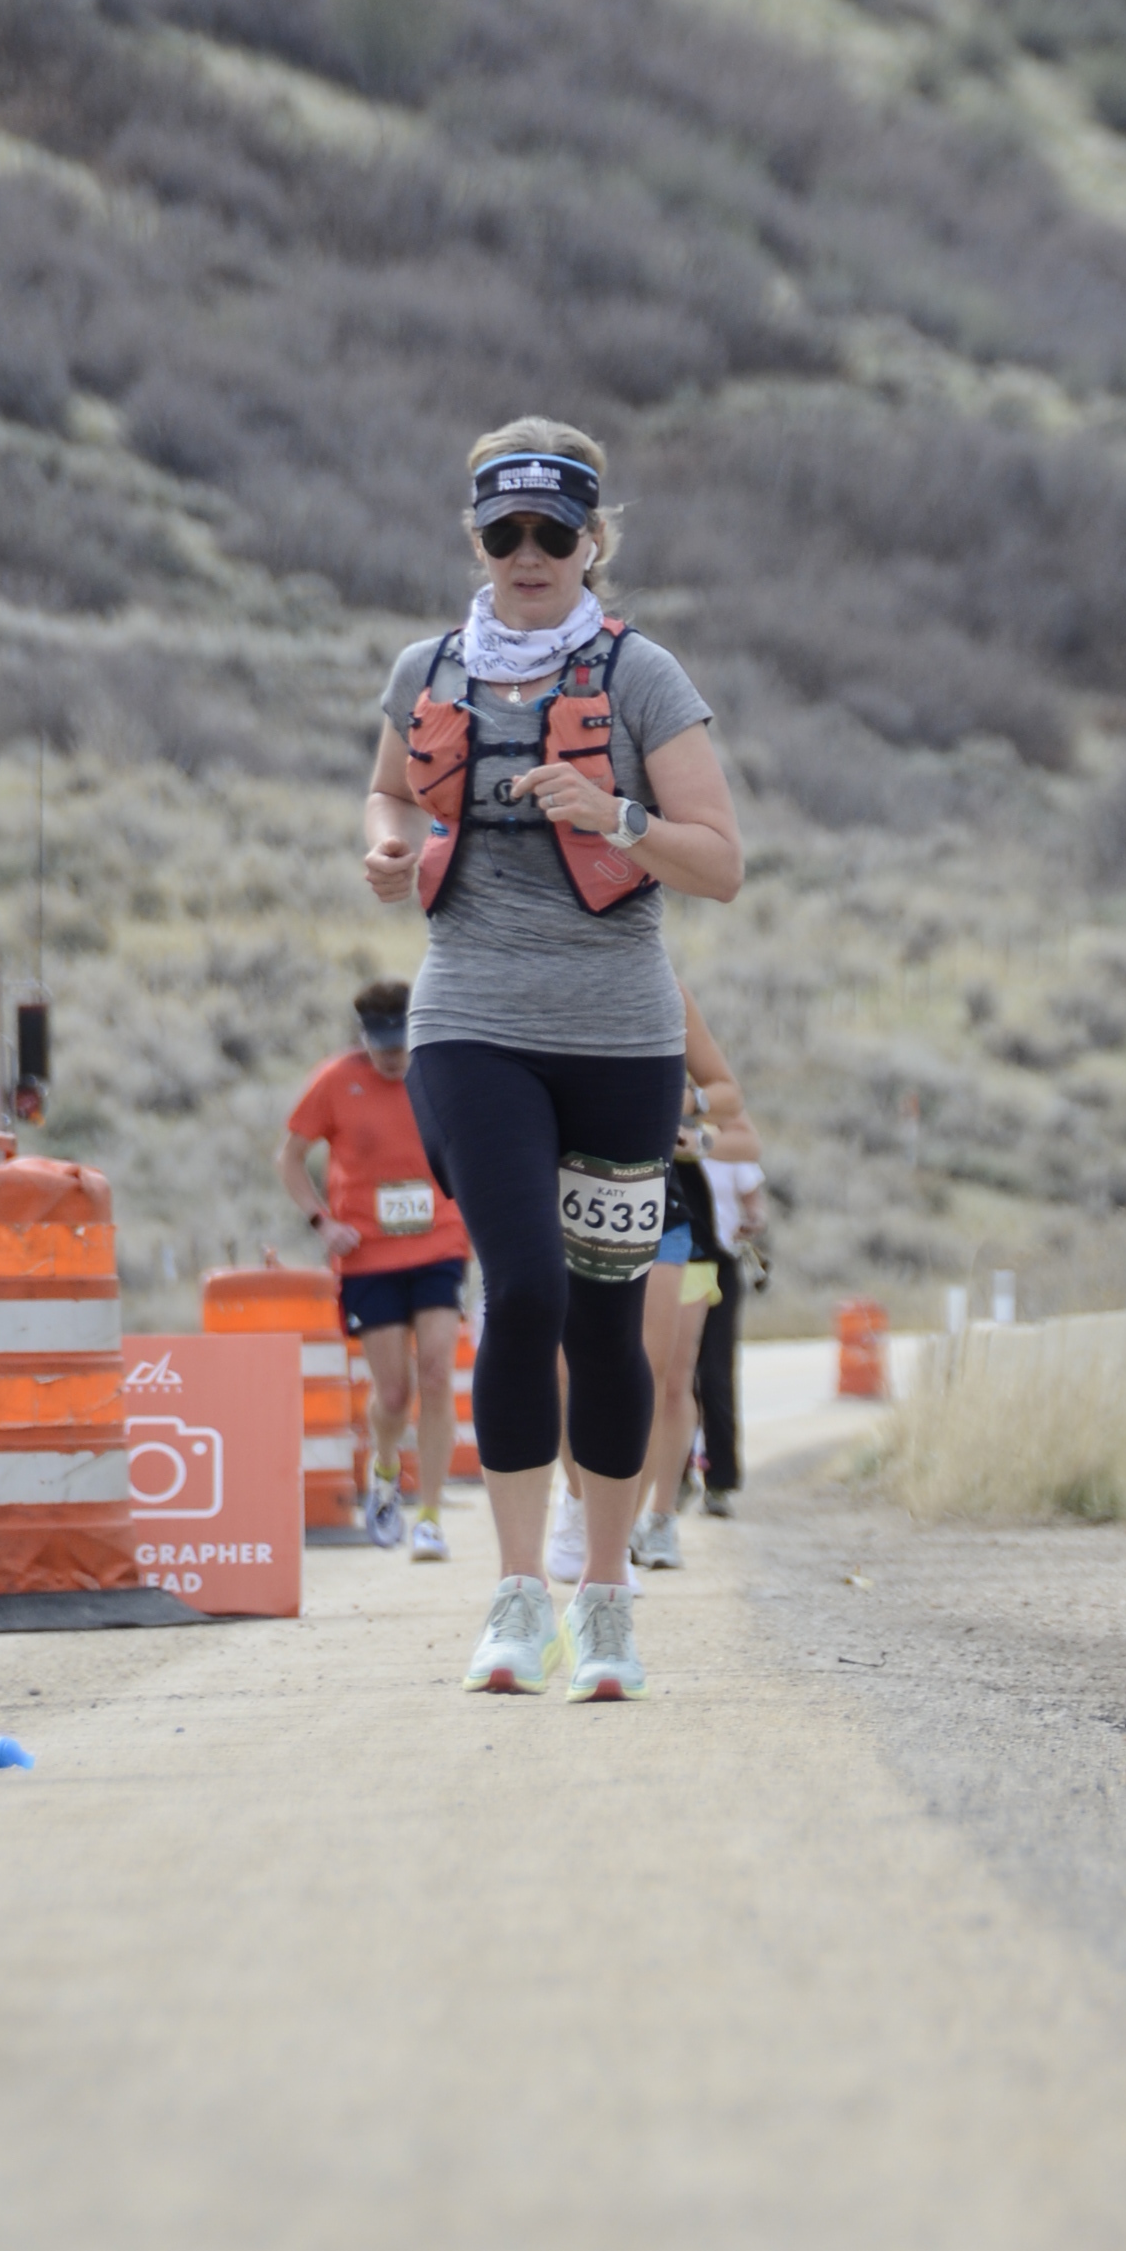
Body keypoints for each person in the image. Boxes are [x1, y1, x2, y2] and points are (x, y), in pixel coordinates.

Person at [362, 418, 742, 1700]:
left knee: (603, 1316)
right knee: (522, 1288)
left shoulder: (642, 678)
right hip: (470, 1022)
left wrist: (616, 814)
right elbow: (391, 793)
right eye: (503, 534)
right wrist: (384, 846)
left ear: (593, 540)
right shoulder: (426, 669)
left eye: (553, 533)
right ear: (476, 540)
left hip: (621, 1040)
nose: (528, 555)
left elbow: (720, 864)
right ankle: (518, 1595)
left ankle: (607, 1601)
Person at [276, 978, 468, 1559]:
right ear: (364, 1038)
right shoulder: (336, 1080)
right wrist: (322, 1222)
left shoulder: (441, 1073)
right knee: (393, 1392)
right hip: (368, 1257)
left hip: (439, 1244)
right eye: (382, 1046)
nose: (392, 1057)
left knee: (436, 1374)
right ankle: (384, 1473)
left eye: (401, 1044)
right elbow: (290, 1157)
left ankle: (429, 1517)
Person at [631, 982, 759, 1572]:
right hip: (612, 1225)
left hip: (690, 1233)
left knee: (673, 1378)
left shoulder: (680, 1074)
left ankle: (661, 1517)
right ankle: (604, 1512)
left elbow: (745, 1134)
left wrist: (695, 1136)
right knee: (618, 1376)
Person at [694, 1145, 766, 1516]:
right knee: (674, 1376)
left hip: (721, 1262)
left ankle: (719, 1481)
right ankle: (674, 1474)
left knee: (715, 1375)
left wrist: (752, 1221)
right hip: (676, 1262)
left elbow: (755, 1203)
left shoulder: (729, 1141)